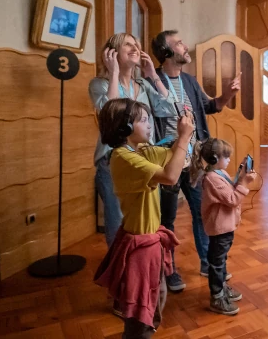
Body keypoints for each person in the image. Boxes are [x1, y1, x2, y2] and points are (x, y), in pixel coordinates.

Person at [93, 98, 194, 337]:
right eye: (144, 120)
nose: (150, 125)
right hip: (139, 245)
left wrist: (185, 139)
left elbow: (175, 157)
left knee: (155, 296)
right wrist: (184, 138)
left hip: (149, 241)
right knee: (141, 310)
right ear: (125, 127)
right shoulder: (124, 158)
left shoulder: (141, 151)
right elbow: (170, 176)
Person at [149, 30, 240, 292]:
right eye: (179, 43)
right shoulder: (150, 80)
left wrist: (227, 95)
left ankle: (207, 263)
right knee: (167, 220)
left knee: (204, 213)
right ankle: (169, 271)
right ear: (166, 53)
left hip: (196, 162)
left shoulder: (189, 80)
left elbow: (210, 107)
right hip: (168, 160)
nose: (185, 45)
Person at [89, 33, 177, 247]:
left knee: (145, 217)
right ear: (111, 53)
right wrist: (114, 73)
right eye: (128, 44)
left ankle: (141, 265)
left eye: (137, 44)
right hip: (113, 160)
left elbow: (168, 107)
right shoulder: (99, 84)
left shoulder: (143, 85)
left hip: (145, 157)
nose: (136, 47)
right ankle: (121, 270)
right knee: (119, 220)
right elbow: (110, 115)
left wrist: (152, 75)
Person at [190, 138, 256, 316]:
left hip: (225, 227)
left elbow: (231, 187)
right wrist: (246, 184)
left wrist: (241, 175)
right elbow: (232, 199)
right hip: (219, 228)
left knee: (221, 259)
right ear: (213, 159)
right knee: (217, 263)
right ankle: (217, 296)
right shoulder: (212, 179)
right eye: (225, 157)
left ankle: (221, 288)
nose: (228, 160)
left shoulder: (220, 173)